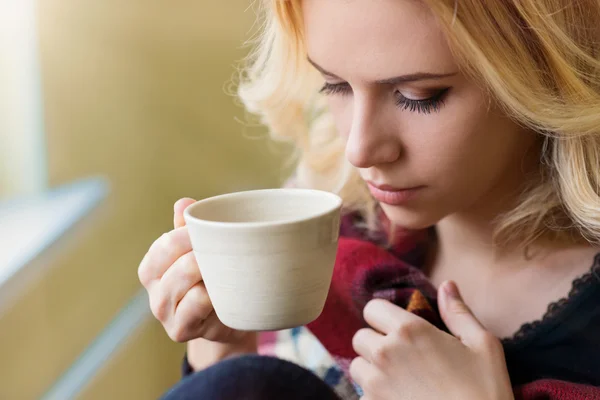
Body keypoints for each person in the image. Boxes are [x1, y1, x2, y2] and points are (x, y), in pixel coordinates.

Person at [137, 0, 600, 398]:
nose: (359, 148)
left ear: (544, 74)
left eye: (419, 96)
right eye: (335, 85)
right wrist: (223, 354)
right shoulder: (324, 234)